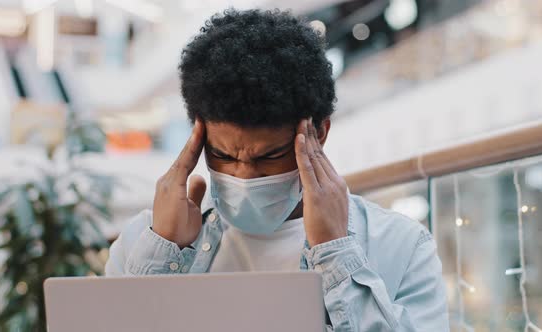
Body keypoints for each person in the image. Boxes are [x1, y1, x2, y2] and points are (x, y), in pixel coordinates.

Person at [105, 8, 449, 331]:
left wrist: (335, 253)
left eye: (268, 157)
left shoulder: (400, 246)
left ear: (320, 133)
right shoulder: (144, 242)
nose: (243, 175)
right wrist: (163, 255)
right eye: (223, 155)